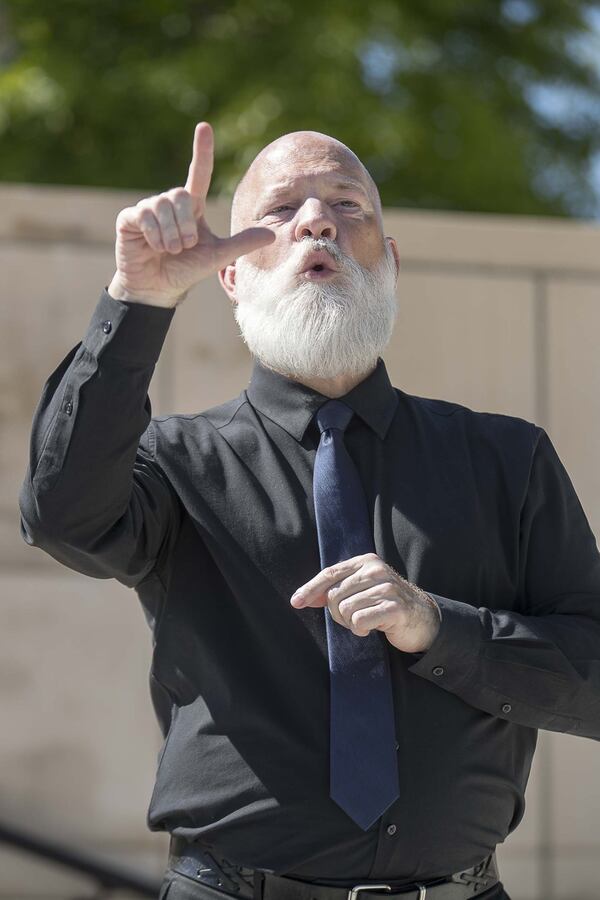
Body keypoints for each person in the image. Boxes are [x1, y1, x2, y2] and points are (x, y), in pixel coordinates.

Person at [18, 122, 600, 900]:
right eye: (282, 209)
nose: (318, 221)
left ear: (391, 263)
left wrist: (439, 627)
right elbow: (60, 516)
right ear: (230, 275)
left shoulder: (507, 460)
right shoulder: (173, 462)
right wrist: (140, 299)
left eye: (349, 205)